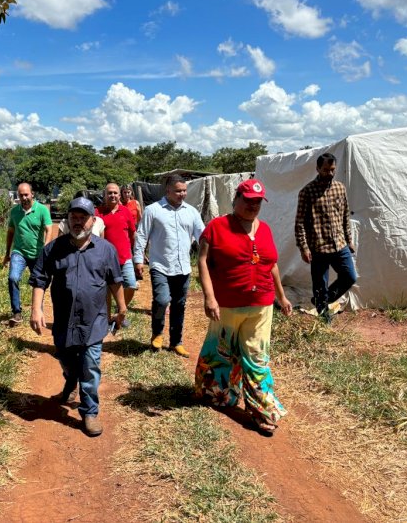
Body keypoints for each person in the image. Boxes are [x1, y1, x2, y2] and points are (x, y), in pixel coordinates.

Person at [195, 179, 292, 434]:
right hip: (227, 304)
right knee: (221, 352)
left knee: (256, 358)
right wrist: (209, 297)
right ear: (236, 198)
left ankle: (261, 410)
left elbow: (271, 264)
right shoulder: (216, 227)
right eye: (248, 200)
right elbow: (202, 260)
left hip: (261, 306)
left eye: (258, 202)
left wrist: (281, 297)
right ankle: (217, 394)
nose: (253, 205)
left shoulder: (266, 230)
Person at [30, 197, 126, 437]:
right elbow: (40, 279)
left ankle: (90, 411)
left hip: (95, 321)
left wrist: (121, 308)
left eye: (83, 218)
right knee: (65, 357)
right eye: (74, 217)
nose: (78, 222)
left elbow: (115, 281)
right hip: (64, 320)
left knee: (90, 366)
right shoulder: (53, 249)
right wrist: (36, 308)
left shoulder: (106, 250)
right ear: (67, 220)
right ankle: (70, 380)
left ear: (93, 221)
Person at [134, 174, 204, 357]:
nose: (182, 194)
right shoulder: (153, 210)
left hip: (183, 267)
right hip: (160, 265)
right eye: (178, 191)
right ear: (168, 191)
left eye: (184, 190)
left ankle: (176, 342)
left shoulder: (191, 212)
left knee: (179, 305)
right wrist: (138, 259)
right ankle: (157, 333)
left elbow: (202, 236)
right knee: (162, 300)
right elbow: (141, 235)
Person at [295, 153, 357, 324]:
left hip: (339, 244)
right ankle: (324, 316)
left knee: (350, 276)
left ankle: (323, 300)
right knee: (320, 284)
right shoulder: (307, 192)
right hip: (318, 247)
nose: (329, 173)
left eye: (332, 170)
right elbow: (299, 223)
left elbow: (345, 215)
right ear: (317, 169)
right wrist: (304, 248)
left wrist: (349, 239)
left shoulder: (340, 188)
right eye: (325, 170)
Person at [3, 182, 53, 326]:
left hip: (37, 254)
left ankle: (38, 311)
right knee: (13, 278)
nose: (24, 197)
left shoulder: (42, 210)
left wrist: (46, 249)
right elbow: (11, 232)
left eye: (26, 194)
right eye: (21, 195)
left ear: (32, 194)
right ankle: (17, 312)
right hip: (19, 252)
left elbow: (49, 229)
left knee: (39, 283)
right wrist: (7, 253)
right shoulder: (14, 212)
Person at [96, 183, 138, 320]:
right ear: (104, 195)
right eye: (109, 193)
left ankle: (121, 310)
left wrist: (132, 251)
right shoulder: (97, 213)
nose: (112, 195)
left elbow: (133, 234)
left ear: (119, 195)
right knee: (106, 290)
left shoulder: (125, 211)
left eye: (115, 193)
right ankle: (107, 319)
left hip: (124, 257)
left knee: (131, 285)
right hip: (105, 259)